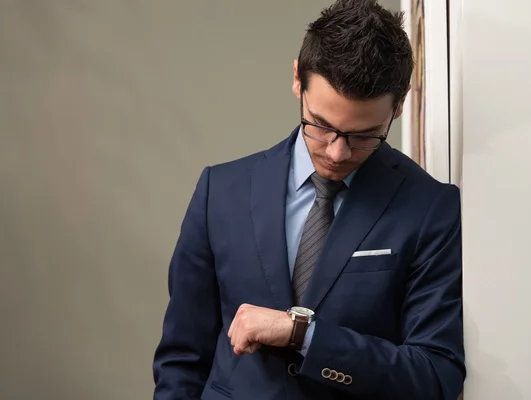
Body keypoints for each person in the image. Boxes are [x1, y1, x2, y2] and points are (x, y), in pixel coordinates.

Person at [152, 0, 465, 398]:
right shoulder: (221, 191)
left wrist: (303, 335)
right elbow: (182, 359)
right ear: (298, 78)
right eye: (320, 126)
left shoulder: (430, 208)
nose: (337, 153)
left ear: (399, 104)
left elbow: (436, 375)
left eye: (364, 135)